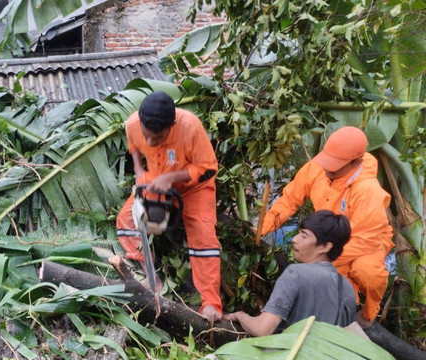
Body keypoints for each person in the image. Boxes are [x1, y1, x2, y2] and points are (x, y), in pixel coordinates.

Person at [261, 126, 394, 329]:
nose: (327, 170)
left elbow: (363, 240)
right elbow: (289, 200)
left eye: (335, 166)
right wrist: (261, 229)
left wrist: (321, 259)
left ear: (355, 163)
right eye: (327, 163)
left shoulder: (369, 191)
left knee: (366, 272)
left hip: (366, 242)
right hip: (328, 241)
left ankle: (369, 313)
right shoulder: (318, 168)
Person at [116, 91, 221, 321]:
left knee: (204, 236)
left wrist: (173, 179)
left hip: (194, 187)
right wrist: (138, 170)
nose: (151, 142)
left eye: (158, 138)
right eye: (147, 136)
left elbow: (209, 168)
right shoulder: (133, 123)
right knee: (127, 219)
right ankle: (151, 277)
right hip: (157, 180)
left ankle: (211, 303)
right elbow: (133, 144)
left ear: (171, 126)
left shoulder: (190, 127)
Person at [225, 210, 357, 336]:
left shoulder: (295, 274)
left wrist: (240, 315)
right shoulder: (347, 287)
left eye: (304, 236)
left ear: (325, 247)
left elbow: (262, 329)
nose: (294, 239)